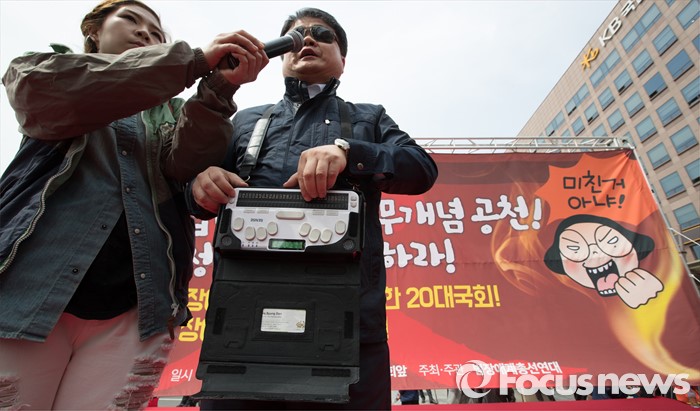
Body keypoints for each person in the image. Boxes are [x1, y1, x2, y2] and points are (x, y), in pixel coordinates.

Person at [0, 0, 268, 409]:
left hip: (138, 306)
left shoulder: (174, 113)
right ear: (93, 31)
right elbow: (46, 97)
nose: (146, 32)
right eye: (130, 19)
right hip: (25, 291)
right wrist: (192, 60)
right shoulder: (41, 68)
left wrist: (217, 91)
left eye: (157, 32)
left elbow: (187, 164)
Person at [187, 7, 438, 410]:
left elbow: (422, 169)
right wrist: (201, 184)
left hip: (349, 324)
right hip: (241, 321)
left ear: (343, 59)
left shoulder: (369, 117)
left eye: (323, 34)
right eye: (295, 35)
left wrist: (350, 152)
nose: (307, 39)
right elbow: (194, 202)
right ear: (281, 56)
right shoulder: (244, 121)